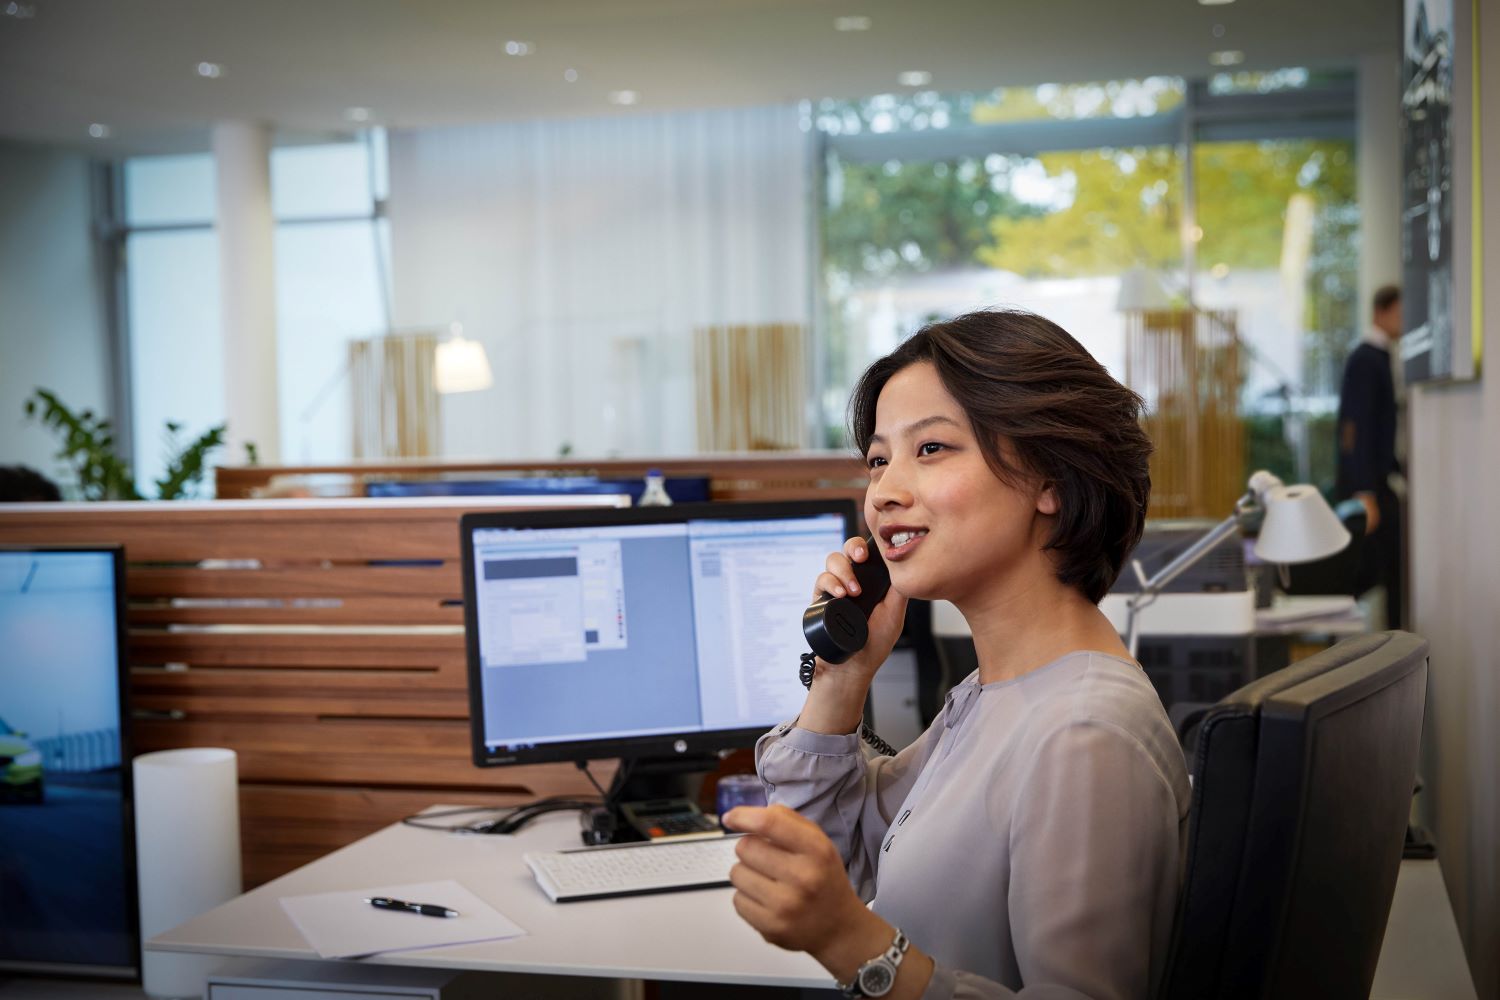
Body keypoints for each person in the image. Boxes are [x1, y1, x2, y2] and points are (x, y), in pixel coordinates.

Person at [723, 309, 1190, 1000]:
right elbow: (815, 859)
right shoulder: (995, 693)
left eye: (931, 449)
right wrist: (841, 677)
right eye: (879, 459)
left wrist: (853, 943)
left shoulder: (1083, 735)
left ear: (1049, 481)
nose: (884, 491)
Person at [1335, 284, 1404, 628]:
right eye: (1401, 312)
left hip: (1374, 482)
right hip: (1367, 488)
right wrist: (1365, 493)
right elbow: (1354, 428)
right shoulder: (1366, 358)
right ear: (1383, 312)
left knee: (1388, 568)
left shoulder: (1377, 356)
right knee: (1372, 569)